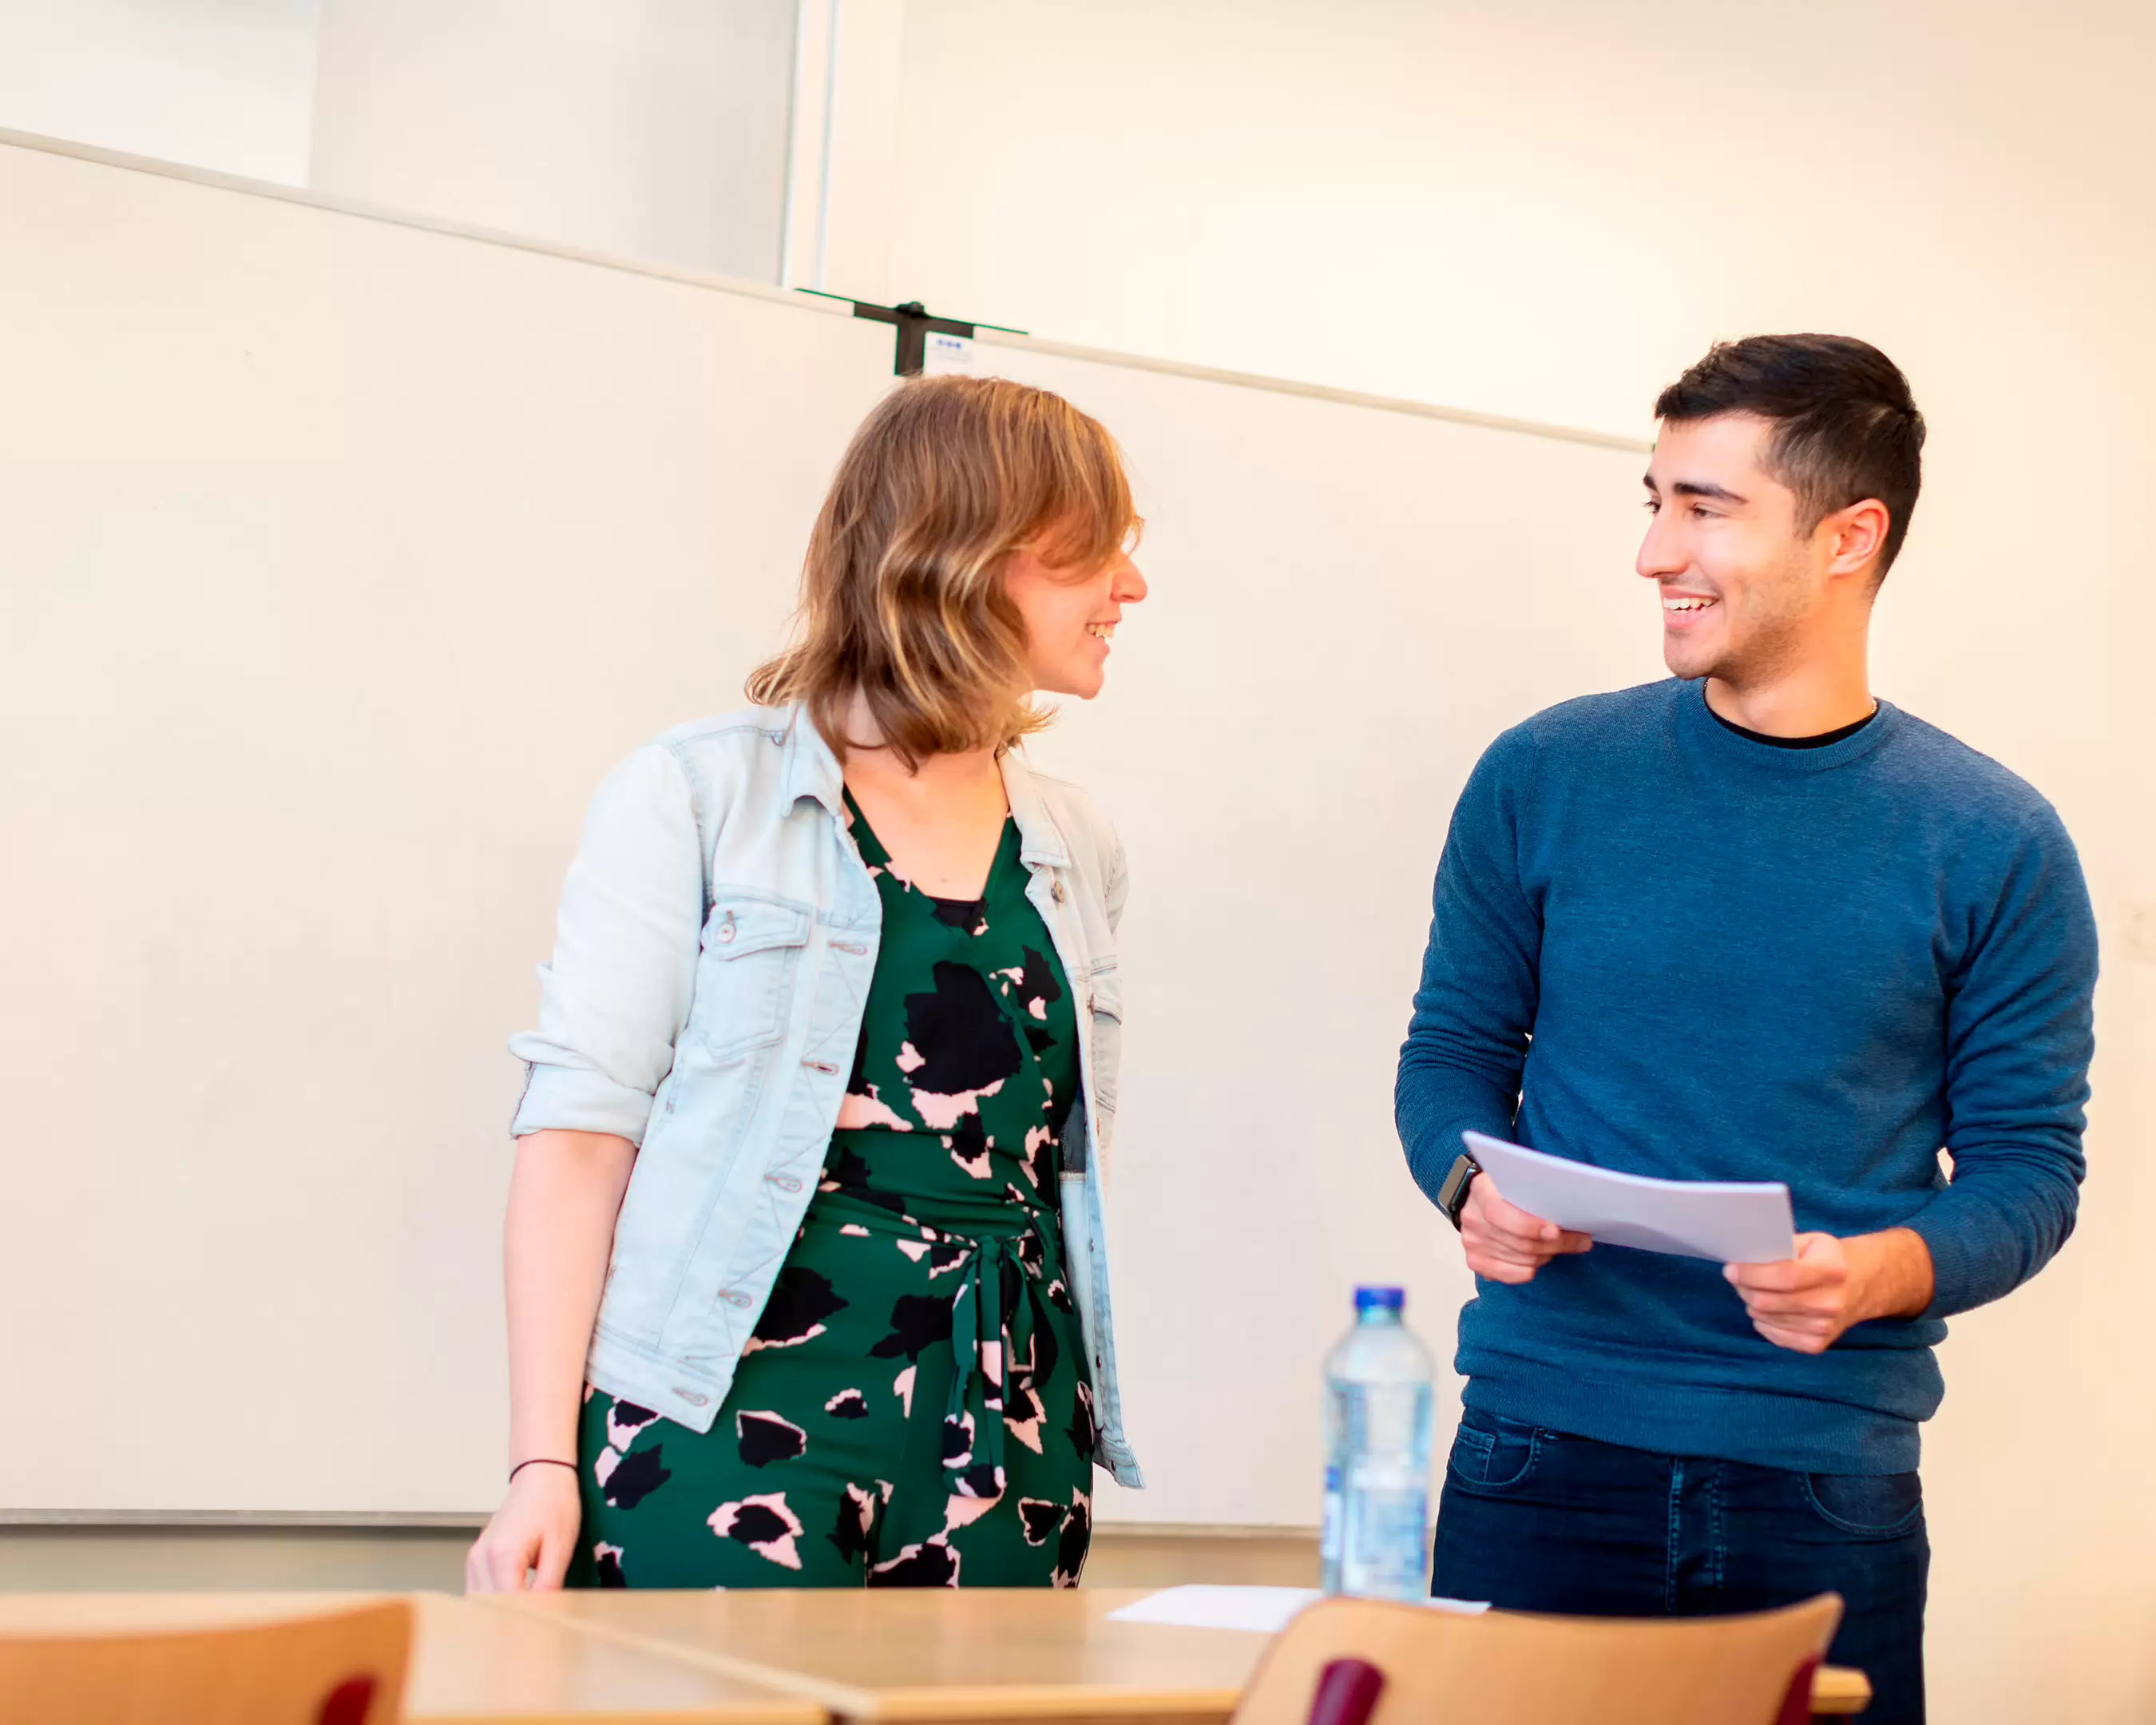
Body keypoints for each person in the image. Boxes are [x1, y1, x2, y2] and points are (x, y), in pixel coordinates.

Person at [1396, 335, 2096, 1723]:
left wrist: (1884, 1269)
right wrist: (1471, 1186)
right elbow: (1452, 1056)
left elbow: (2030, 1173)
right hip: (1536, 1456)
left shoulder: (1996, 840)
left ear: (1850, 537)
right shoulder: (1544, 774)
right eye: (1653, 501)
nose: (1656, 553)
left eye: (1704, 509)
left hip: (1821, 1486)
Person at [466, 375, 1148, 1592]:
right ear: (974, 554)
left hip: (1012, 1441)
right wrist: (539, 1467)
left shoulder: (1075, 846)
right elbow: (578, 1140)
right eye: (1096, 553)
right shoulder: (697, 796)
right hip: (728, 1416)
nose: (1129, 589)